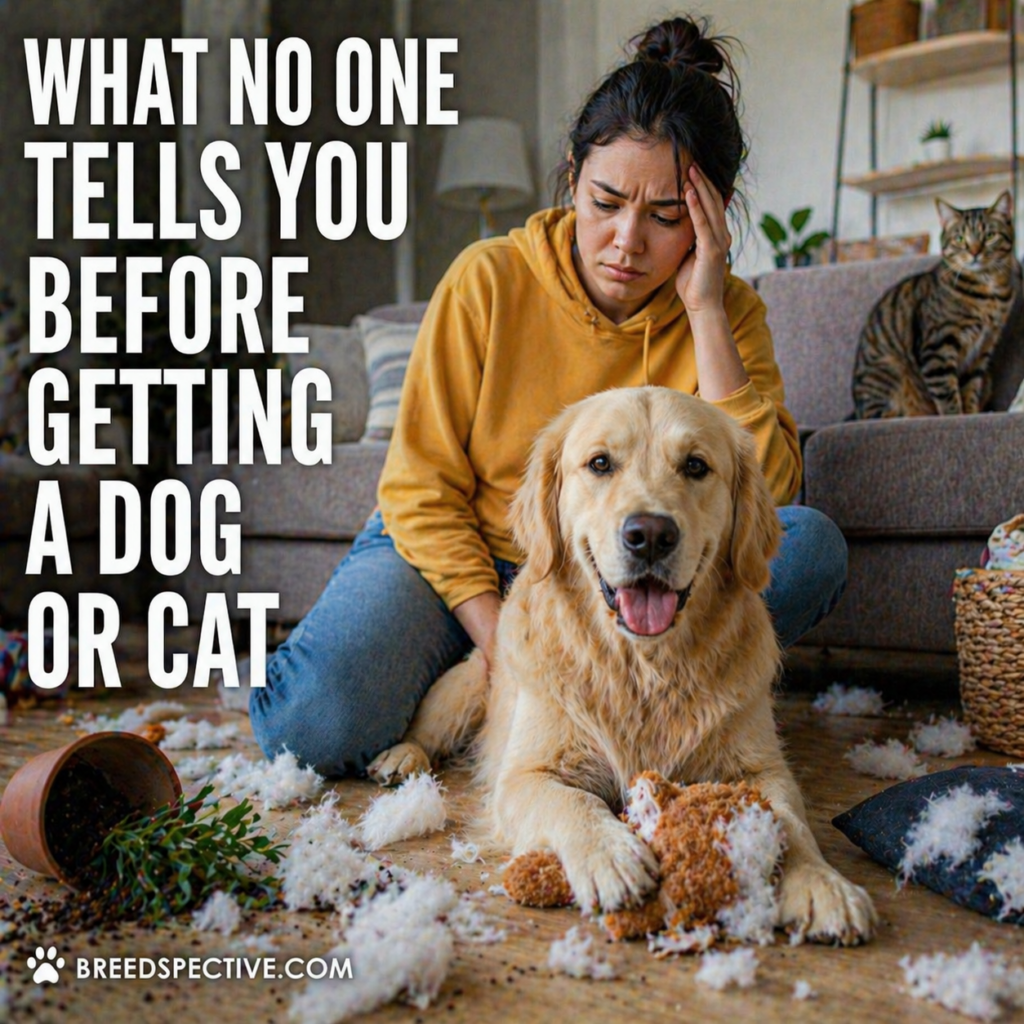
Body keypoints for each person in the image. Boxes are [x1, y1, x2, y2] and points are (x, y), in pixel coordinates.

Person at [249, 15, 846, 776]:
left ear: (710, 219)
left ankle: (631, 704)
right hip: (461, 557)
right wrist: (508, 646)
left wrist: (705, 311)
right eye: (605, 202)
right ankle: (458, 681)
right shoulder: (487, 278)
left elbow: (770, 497)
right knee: (310, 730)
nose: (627, 241)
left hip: (621, 571)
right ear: (571, 176)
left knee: (812, 547)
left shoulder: (725, 311)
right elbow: (419, 487)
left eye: (665, 217)